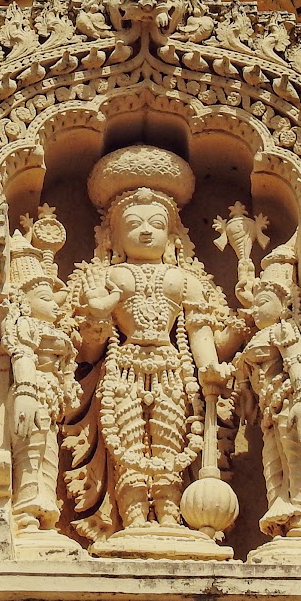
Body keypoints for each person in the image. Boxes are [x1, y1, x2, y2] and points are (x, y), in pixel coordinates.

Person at [63, 145, 242, 547]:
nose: (146, 230)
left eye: (156, 223)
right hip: (121, 370)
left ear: (173, 233)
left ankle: (168, 515)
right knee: (124, 441)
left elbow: (200, 330)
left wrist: (212, 363)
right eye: (134, 223)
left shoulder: (185, 281)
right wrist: (95, 317)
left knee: (169, 438)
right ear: (113, 234)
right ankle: (133, 517)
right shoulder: (106, 277)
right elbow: (87, 348)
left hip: (172, 370)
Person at [1, 211, 81, 537]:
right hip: (31, 397)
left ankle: (44, 508)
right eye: (46, 298)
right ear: (25, 300)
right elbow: (21, 357)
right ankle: (27, 511)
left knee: (47, 453)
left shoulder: (54, 333)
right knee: (30, 453)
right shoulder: (24, 327)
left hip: (48, 398)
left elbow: (66, 369)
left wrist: (68, 386)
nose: (56, 305)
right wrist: (26, 393)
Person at [234, 249, 301, 543]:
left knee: (294, 459)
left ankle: (300, 516)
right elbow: (246, 380)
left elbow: (297, 365)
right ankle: (278, 519)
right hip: (268, 412)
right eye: (254, 305)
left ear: (284, 306)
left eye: (263, 303)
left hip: (288, 405)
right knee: (272, 461)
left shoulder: (285, 331)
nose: (256, 310)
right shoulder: (256, 338)